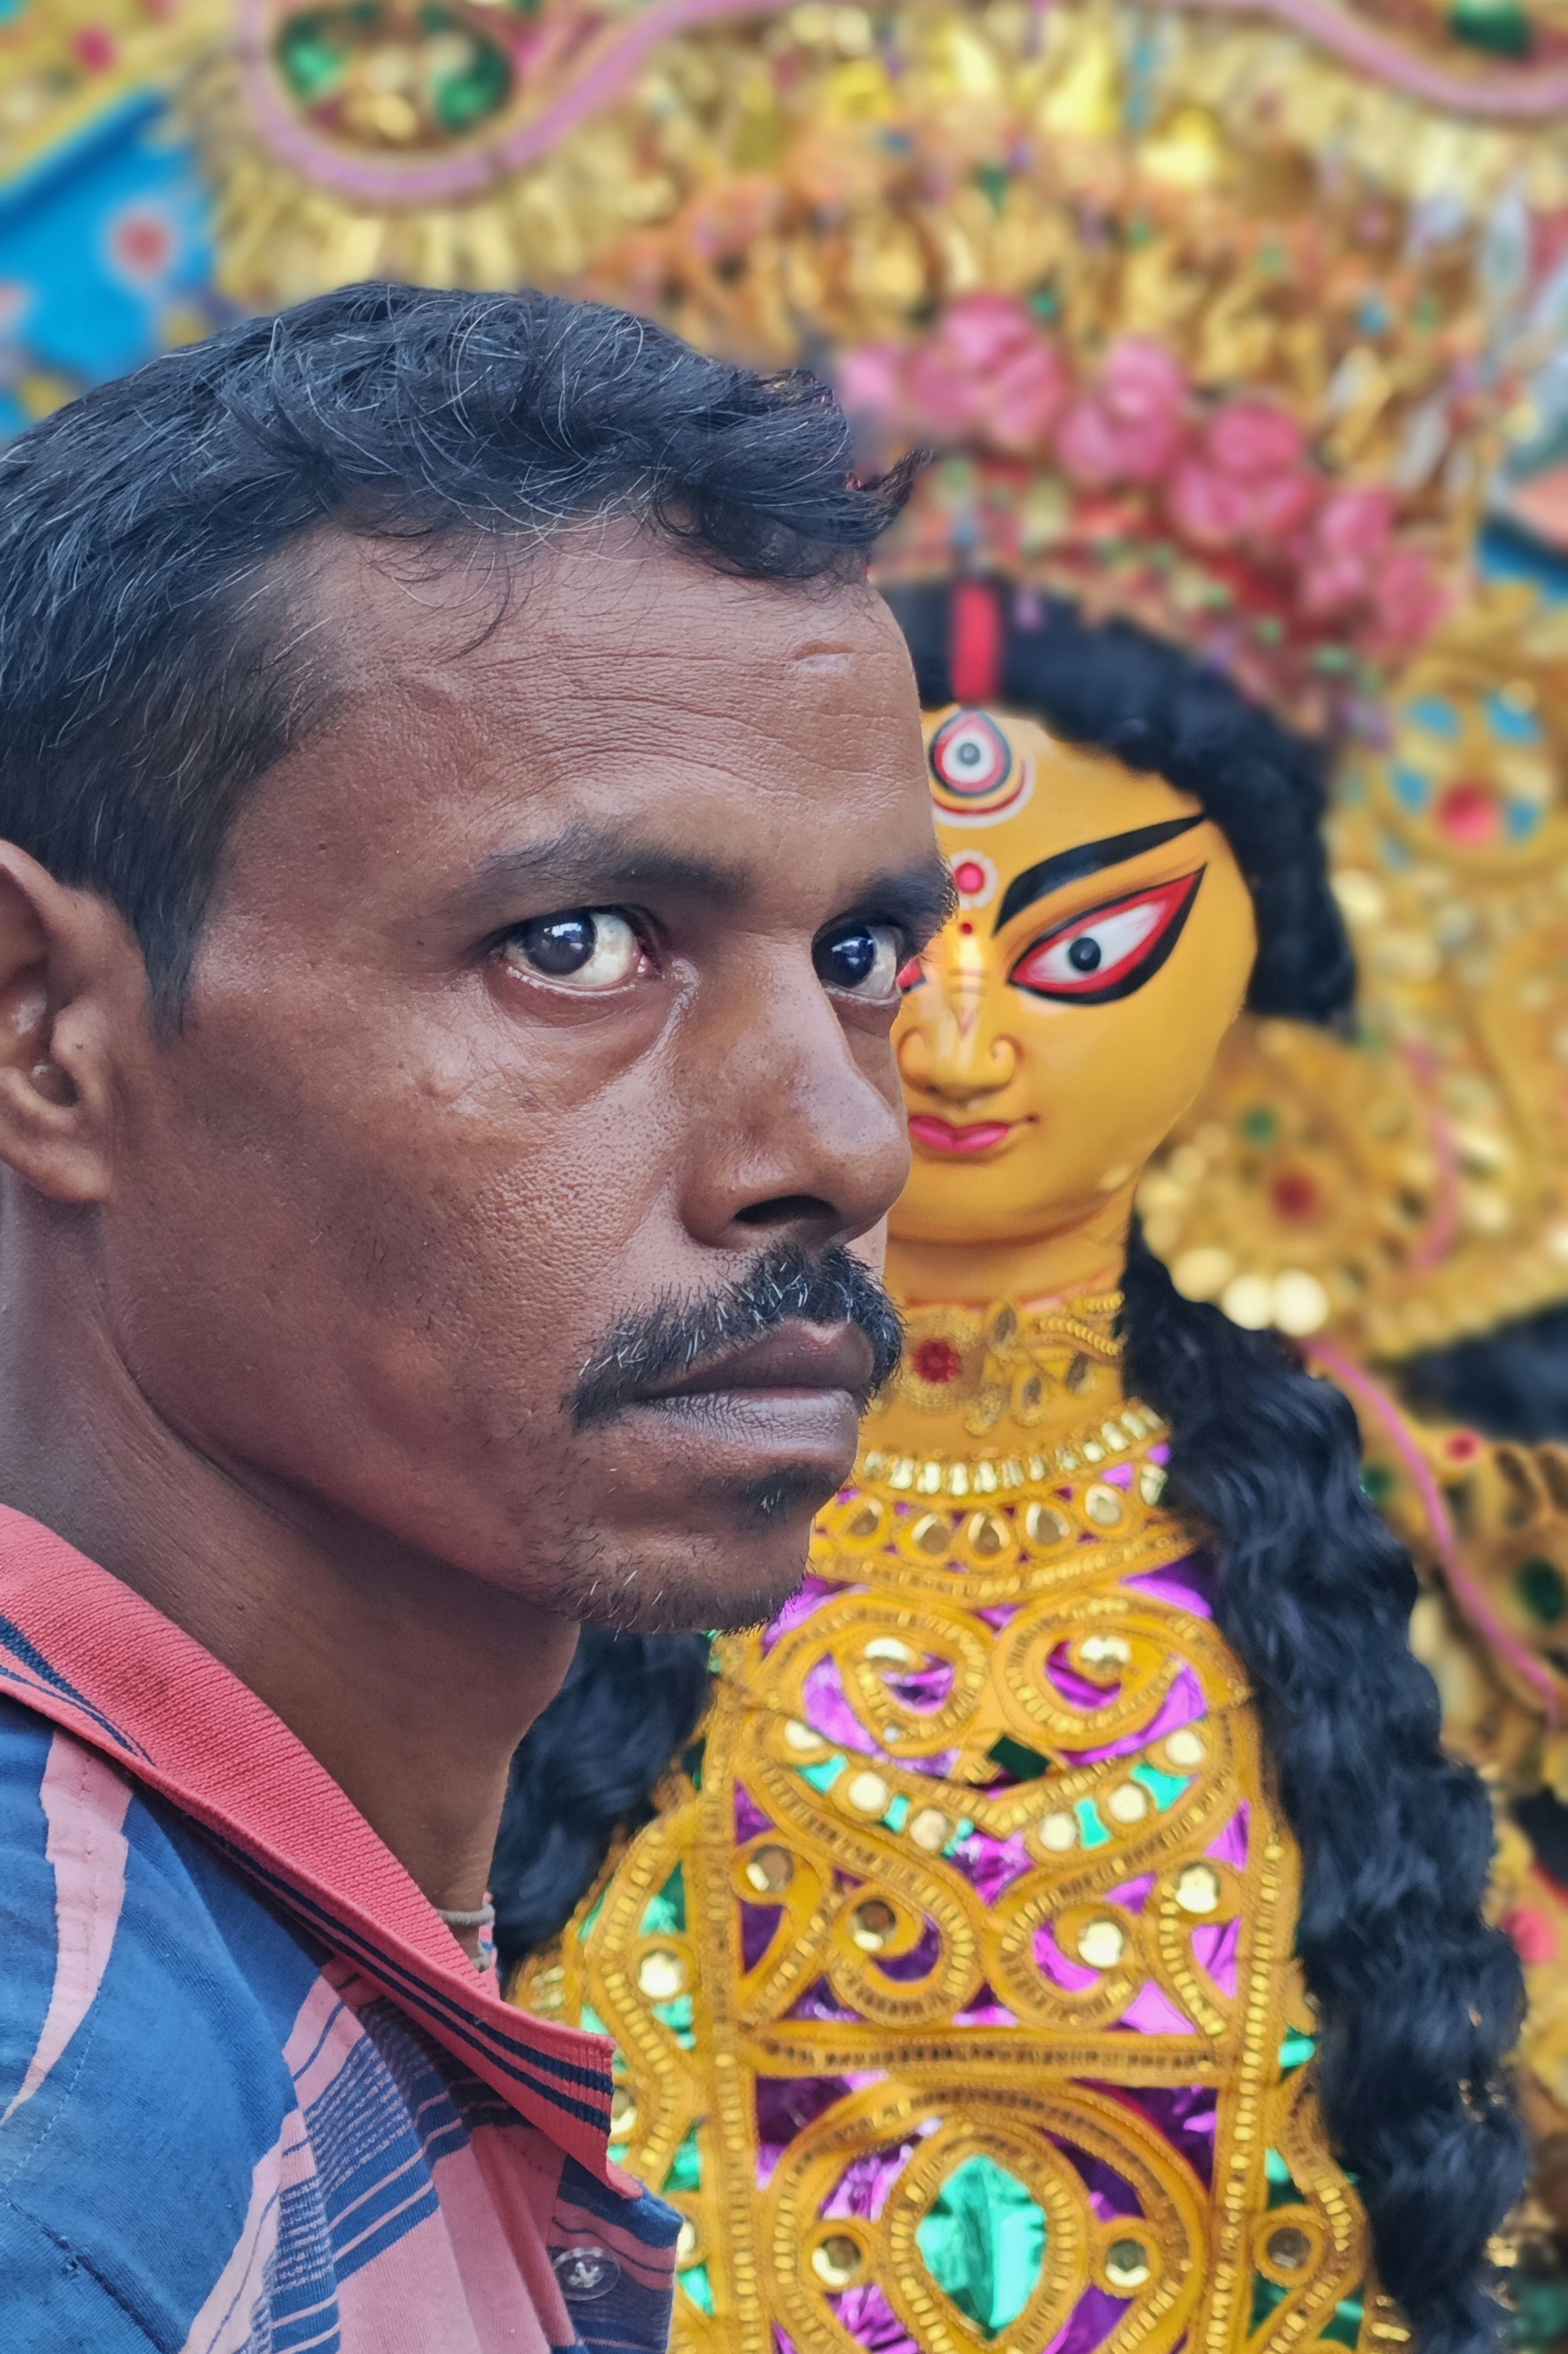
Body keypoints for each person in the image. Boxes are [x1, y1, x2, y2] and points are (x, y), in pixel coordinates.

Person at [0, 281, 952, 2351]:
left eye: (867, 948)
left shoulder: (236, 1966)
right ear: (45, 1027)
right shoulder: (67, 2155)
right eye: (580, 945)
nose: (843, 1147)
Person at [509, 580, 1526, 2354]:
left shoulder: (1448, 1546)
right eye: (876, 962)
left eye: (1082, 953)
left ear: (1254, 976)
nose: (962, 1047)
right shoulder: (507, 1513)